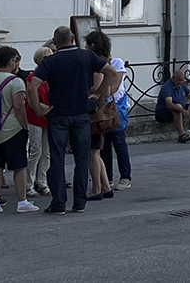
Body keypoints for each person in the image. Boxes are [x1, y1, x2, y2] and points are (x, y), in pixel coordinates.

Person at [27, 25, 117, 214]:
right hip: (82, 112)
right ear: (73, 38)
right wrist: (98, 95)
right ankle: (80, 202)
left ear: (55, 41)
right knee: (82, 158)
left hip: (58, 113)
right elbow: (111, 73)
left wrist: (38, 108)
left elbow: (33, 86)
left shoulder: (50, 61)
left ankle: (59, 203)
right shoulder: (86, 56)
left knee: (57, 159)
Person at [0, 46, 38, 214]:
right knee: (19, 166)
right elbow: (19, 107)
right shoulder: (15, 81)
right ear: (11, 61)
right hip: (12, 129)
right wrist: (25, 126)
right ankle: (22, 201)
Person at [83, 30, 116, 202]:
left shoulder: (96, 65)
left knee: (92, 152)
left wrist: (93, 94)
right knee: (96, 151)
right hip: (103, 111)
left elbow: (96, 88)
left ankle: (96, 188)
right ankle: (105, 185)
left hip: (95, 112)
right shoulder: (107, 62)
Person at [100, 52, 133, 189]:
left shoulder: (117, 63)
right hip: (102, 108)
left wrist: (97, 91)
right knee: (104, 145)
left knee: (119, 143)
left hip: (116, 107)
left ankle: (125, 177)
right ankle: (107, 177)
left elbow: (114, 87)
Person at [25, 46, 53, 200]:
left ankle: (42, 181)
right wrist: (48, 108)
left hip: (48, 117)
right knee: (35, 150)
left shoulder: (51, 77)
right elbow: (31, 99)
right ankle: (29, 183)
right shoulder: (32, 78)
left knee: (46, 152)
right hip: (36, 116)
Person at [157, 67, 190, 143]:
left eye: (182, 80)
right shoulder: (167, 87)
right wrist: (183, 111)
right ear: (173, 78)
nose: (180, 82)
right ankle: (182, 134)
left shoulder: (182, 86)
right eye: (179, 80)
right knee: (177, 107)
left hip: (181, 109)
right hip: (164, 112)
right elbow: (169, 104)